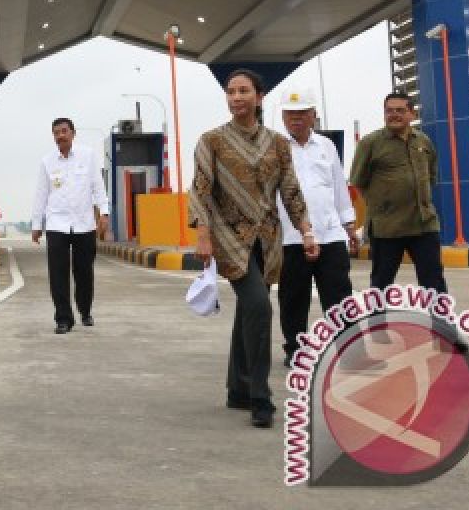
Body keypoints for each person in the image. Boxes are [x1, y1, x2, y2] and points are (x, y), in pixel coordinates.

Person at [190, 69, 314, 429]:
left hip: (269, 238)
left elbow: (290, 189)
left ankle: (237, 389)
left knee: (250, 309)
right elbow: (200, 189)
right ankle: (261, 396)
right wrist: (202, 234)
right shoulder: (211, 140)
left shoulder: (277, 143)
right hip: (229, 237)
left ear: (259, 97)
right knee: (259, 306)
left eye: (244, 91)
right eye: (231, 91)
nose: (236, 97)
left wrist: (306, 230)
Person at [275, 89, 357, 368]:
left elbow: (338, 186)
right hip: (290, 236)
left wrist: (349, 225)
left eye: (301, 113)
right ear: (283, 117)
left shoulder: (326, 146)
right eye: (290, 114)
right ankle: (295, 349)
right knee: (293, 298)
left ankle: (347, 348)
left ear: (313, 115)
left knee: (339, 294)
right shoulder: (275, 147)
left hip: (330, 233)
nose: (295, 119)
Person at [349, 92, 448, 294]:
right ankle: (378, 325)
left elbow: (431, 176)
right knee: (381, 286)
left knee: (434, 283)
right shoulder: (370, 143)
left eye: (400, 110)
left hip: (424, 224)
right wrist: (380, 203)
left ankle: (440, 325)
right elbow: (358, 181)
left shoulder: (423, 141)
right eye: (389, 111)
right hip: (386, 227)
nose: (394, 115)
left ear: (412, 113)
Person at [31, 118, 110, 334]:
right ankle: (63, 318)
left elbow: (97, 185)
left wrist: (104, 212)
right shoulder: (47, 162)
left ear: (73, 133)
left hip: (84, 223)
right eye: (56, 132)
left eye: (64, 131)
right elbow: (41, 194)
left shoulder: (88, 155)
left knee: (84, 272)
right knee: (58, 273)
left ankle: (85, 310)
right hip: (57, 223)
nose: (60, 135)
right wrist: (37, 224)